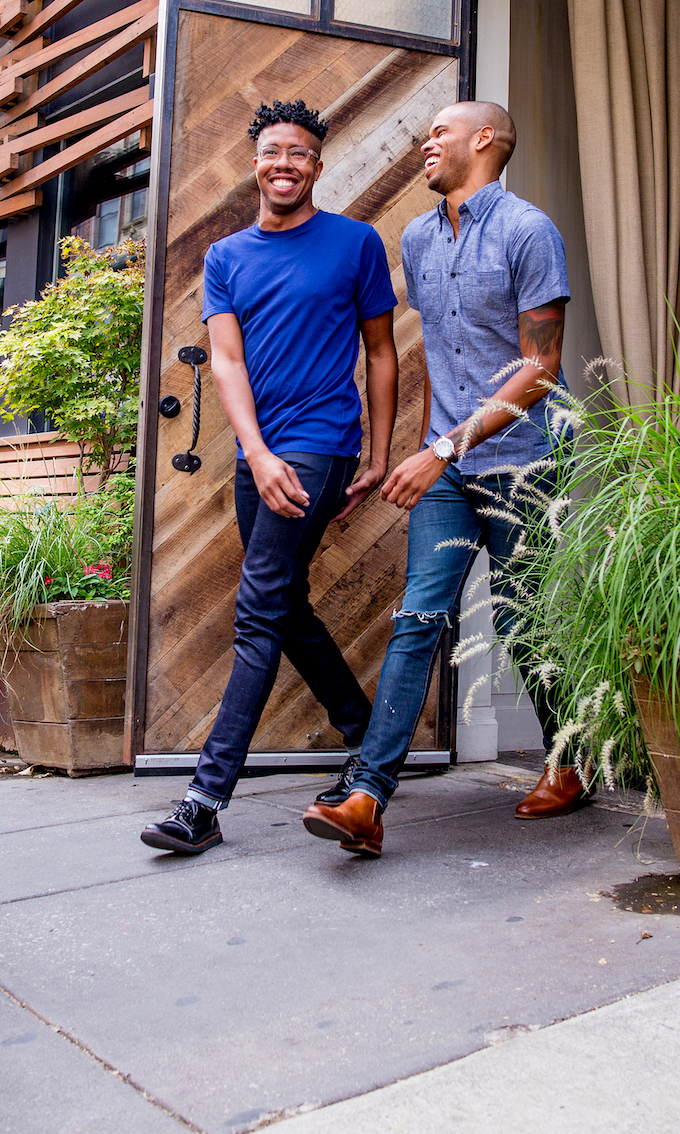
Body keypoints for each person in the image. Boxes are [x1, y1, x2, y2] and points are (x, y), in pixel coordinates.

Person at [302, 101, 577, 860]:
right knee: (420, 615)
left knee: (529, 624)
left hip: (520, 464)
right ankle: (367, 797)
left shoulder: (529, 231)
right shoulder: (420, 236)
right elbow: (440, 357)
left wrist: (444, 448)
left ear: (484, 140)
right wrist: (419, 446)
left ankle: (573, 758)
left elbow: (540, 370)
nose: (425, 145)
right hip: (447, 466)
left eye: (439, 135)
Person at [140, 99, 399, 855]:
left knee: (257, 611)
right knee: (283, 606)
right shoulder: (224, 258)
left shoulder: (354, 244)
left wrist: (378, 453)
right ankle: (368, 741)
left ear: (318, 166)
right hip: (261, 451)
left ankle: (205, 798)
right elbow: (226, 360)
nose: (285, 164)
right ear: (255, 162)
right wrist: (252, 449)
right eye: (273, 151)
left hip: (321, 444)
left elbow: (380, 352)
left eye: (301, 154)